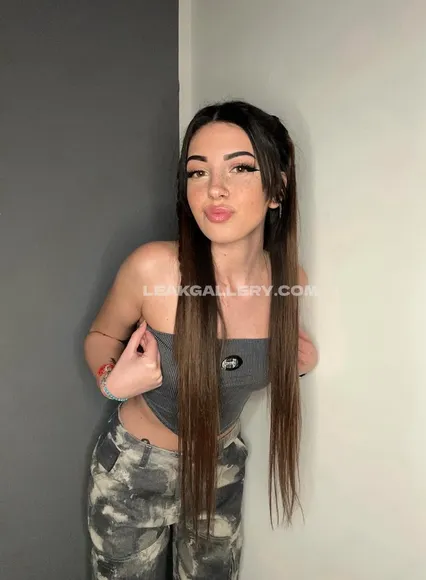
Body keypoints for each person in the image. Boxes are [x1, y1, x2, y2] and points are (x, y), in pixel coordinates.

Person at [84, 99, 318, 579]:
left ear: (277, 189)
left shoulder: (288, 280)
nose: (214, 188)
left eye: (240, 168)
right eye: (198, 172)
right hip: (135, 471)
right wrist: (112, 381)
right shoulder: (153, 268)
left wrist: (295, 363)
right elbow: (101, 334)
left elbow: (250, 361)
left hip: (221, 469)